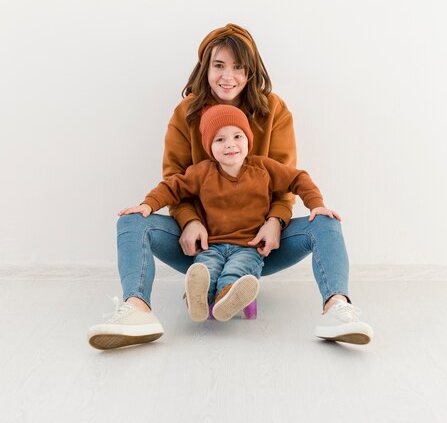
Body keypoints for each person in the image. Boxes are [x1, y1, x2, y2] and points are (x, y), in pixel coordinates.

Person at [87, 23, 373, 349]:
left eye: (238, 67)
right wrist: (188, 220)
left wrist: (276, 220)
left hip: (259, 241)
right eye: (219, 65)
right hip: (201, 243)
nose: (228, 76)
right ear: (205, 67)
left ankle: (337, 307)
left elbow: (289, 178)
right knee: (130, 221)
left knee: (326, 222)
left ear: (251, 72)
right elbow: (175, 182)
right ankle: (137, 308)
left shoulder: (274, 111)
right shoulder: (186, 114)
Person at [124, 104, 335, 323]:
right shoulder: (203, 172)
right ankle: (198, 300)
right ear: (209, 147)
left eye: (237, 136)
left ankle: (228, 298)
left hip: (249, 246)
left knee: (237, 271)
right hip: (211, 245)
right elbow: (171, 187)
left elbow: (297, 178)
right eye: (220, 140)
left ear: (248, 139)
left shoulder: (263, 168)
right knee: (205, 271)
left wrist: (316, 205)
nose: (230, 145)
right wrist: (148, 205)